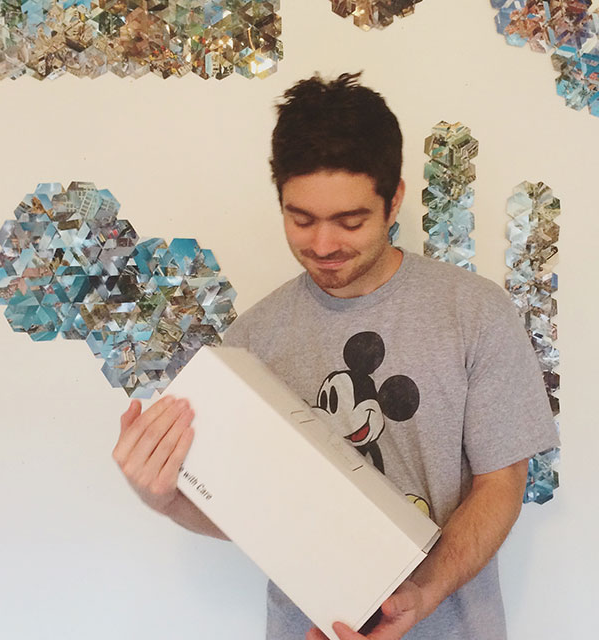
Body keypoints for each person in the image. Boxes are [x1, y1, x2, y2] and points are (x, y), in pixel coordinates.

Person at [112, 73, 560, 640]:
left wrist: (422, 593)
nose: (323, 246)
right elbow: (255, 517)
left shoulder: (474, 312)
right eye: (301, 220)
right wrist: (164, 498)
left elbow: (501, 485)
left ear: (394, 200)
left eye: (350, 222)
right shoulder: (252, 342)